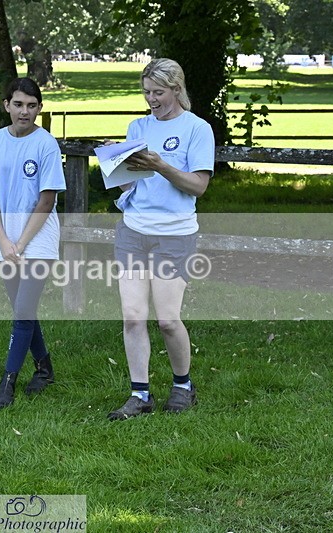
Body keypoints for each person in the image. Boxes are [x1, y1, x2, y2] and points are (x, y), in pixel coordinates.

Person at [107, 58, 214, 420]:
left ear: (176, 89)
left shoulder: (197, 129)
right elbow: (128, 183)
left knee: (167, 320)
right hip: (134, 231)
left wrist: (161, 166)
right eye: (146, 93)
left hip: (175, 235)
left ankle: (183, 385)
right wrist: (115, 164)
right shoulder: (138, 126)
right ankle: (140, 394)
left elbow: (198, 186)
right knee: (133, 317)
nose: (151, 100)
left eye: (158, 92)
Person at [0, 77, 66, 409]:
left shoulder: (46, 144)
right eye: (18, 104)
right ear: (6, 105)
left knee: (23, 310)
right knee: (22, 309)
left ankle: (7, 383)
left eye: (32, 105)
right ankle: (44, 368)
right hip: (6, 239)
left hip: (37, 240)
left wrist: (21, 244)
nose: (25, 111)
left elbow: (46, 201)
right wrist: (3, 240)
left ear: (39, 108)